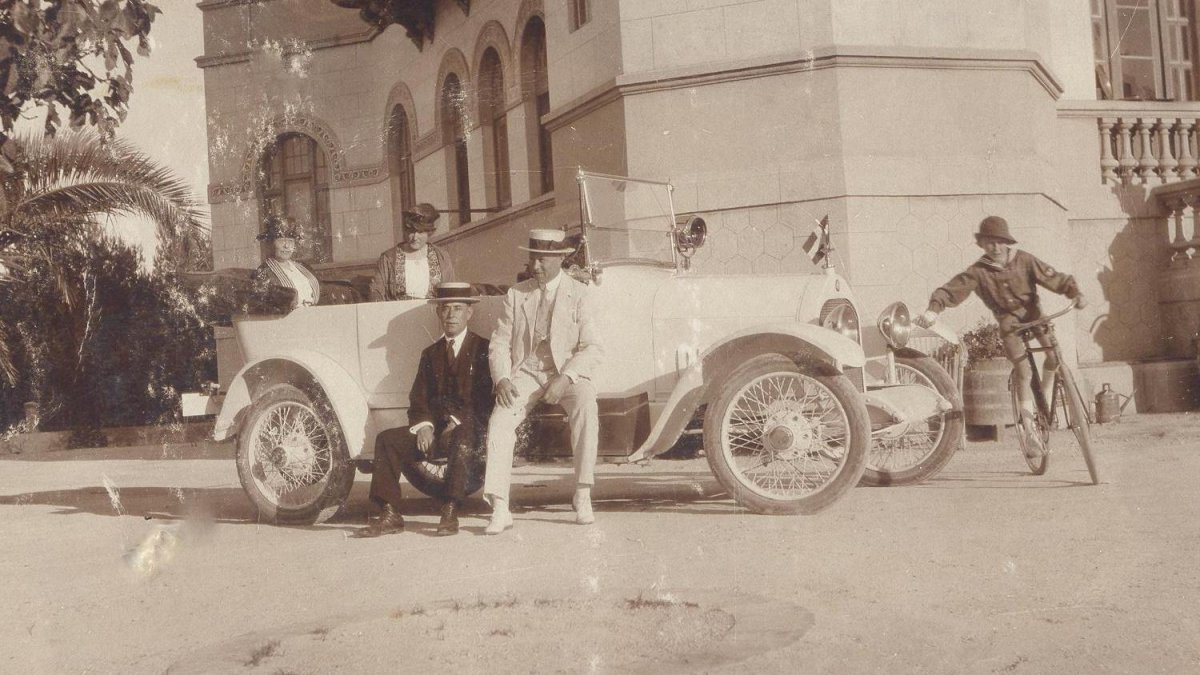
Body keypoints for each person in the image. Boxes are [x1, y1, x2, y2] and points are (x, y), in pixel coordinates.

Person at [916, 216, 1087, 456]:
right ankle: (1029, 432)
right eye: (989, 242)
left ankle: (1046, 398)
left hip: (1034, 314)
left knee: (1054, 356)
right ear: (982, 244)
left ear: (1007, 243)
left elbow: (1054, 278)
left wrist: (1074, 293)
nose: (995, 248)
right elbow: (951, 290)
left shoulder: (1025, 260)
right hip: (1009, 324)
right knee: (1024, 370)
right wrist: (933, 309)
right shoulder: (978, 272)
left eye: (999, 242)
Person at [482, 228, 604, 535]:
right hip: (526, 372)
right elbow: (499, 343)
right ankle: (499, 506)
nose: (534, 266)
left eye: (542, 260)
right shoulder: (516, 293)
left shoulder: (580, 293)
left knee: (586, 402)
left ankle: (583, 492)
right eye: (532, 258)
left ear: (560, 259)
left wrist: (566, 377)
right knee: (499, 420)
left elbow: (592, 347)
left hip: (565, 372)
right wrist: (503, 379)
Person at [357, 282, 494, 537]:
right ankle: (390, 513)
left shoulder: (484, 349)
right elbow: (419, 398)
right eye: (445, 309)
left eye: (457, 308)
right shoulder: (430, 354)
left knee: (463, 436)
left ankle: (450, 509)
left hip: (472, 431)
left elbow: (485, 399)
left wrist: (457, 421)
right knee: (387, 440)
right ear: (438, 313)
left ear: (469, 313)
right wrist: (425, 427)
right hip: (437, 431)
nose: (451, 314)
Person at [369, 202, 456, 301]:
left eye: (420, 232)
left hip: (433, 313)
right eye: (411, 231)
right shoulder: (388, 258)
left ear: (429, 232)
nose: (415, 237)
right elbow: (376, 291)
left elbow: (450, 290)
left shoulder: (442, 256)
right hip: (398, 313)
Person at [252, 215, 320, 309]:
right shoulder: (263, 273)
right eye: (281, 241)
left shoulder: (304, 268)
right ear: (270, 243)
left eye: (290, 241)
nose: (287, 246)